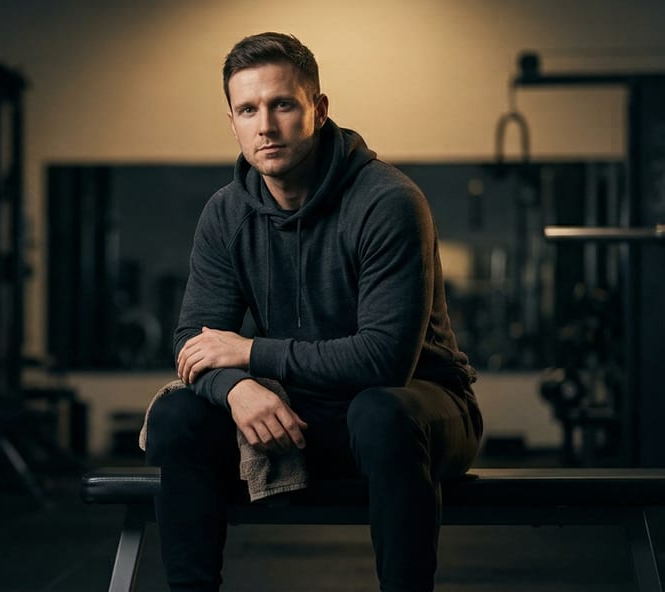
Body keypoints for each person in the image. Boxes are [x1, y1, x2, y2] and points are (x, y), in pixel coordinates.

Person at [147, 32, 483, 592]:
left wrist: (251, 352)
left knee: (380, 413)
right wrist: (236, 388)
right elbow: (193, 338)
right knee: (175, 418)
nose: (266, 126)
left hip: (417, 413)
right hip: (301, 415)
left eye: (282, 104)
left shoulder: (387, 202)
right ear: (231, 121)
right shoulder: (226, 213)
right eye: (248, 109)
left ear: (318, 109)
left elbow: (383, 362)